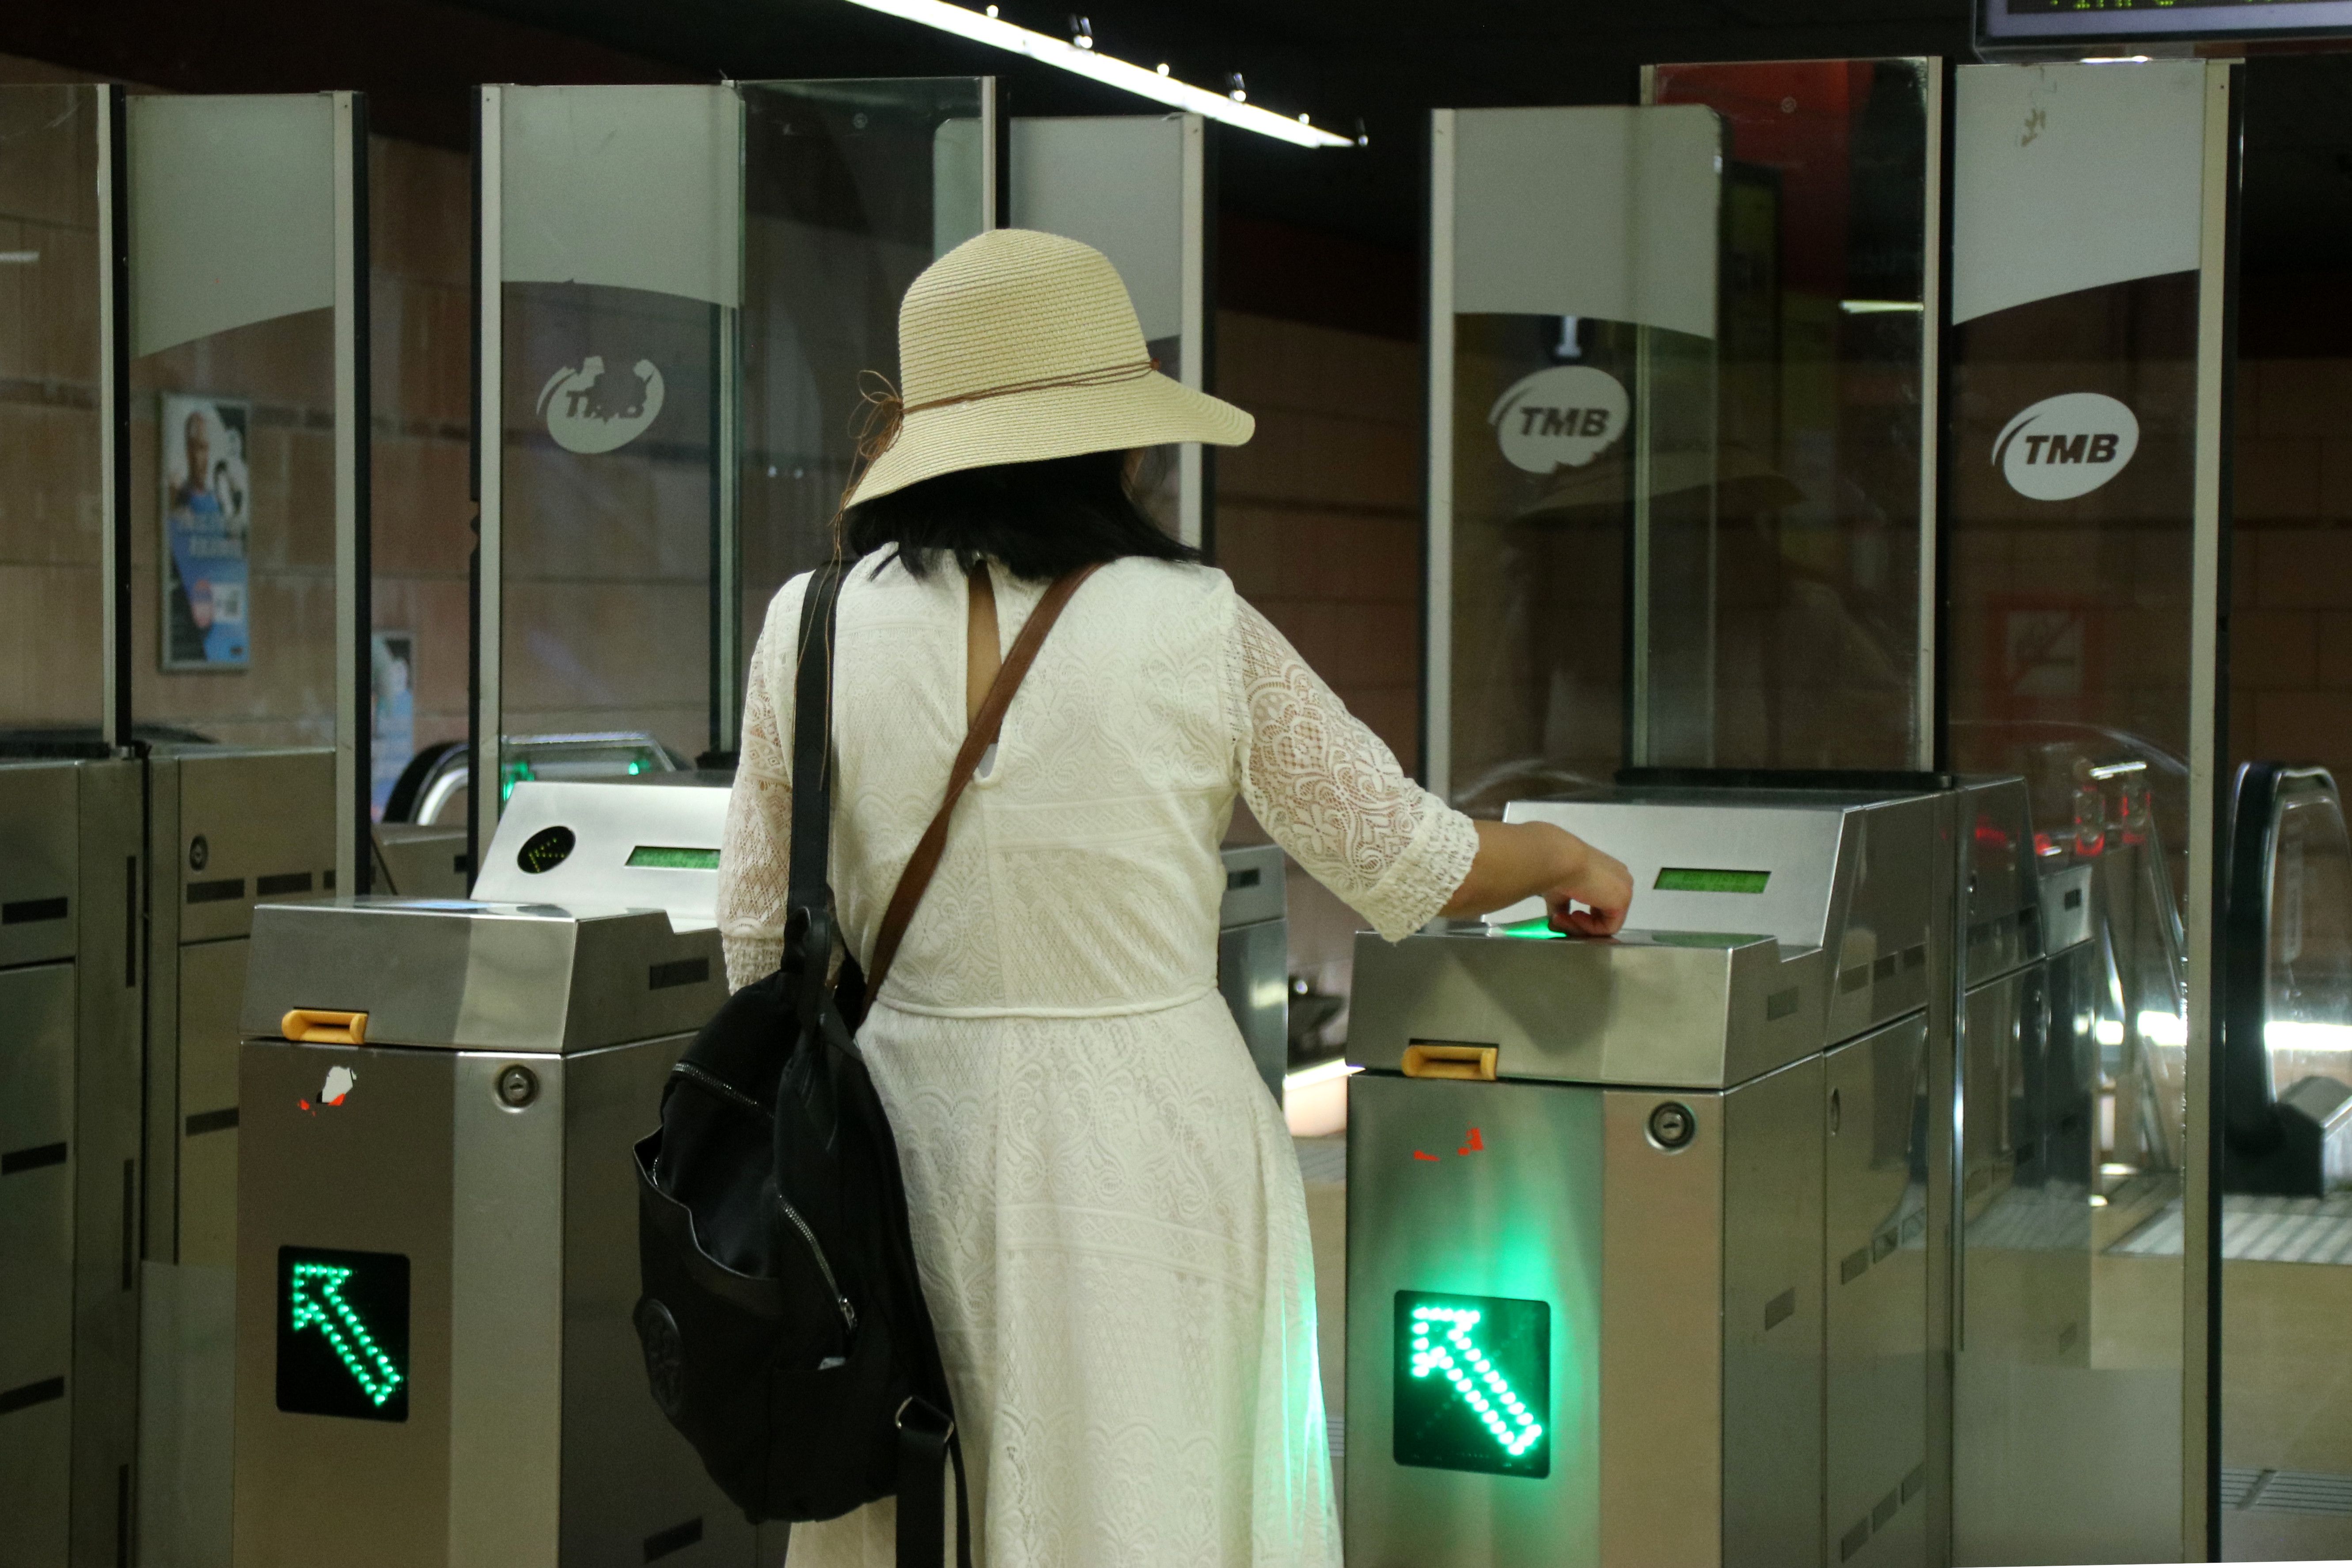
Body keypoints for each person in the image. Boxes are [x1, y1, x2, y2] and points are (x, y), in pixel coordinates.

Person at [715, 228, 1631, 1567]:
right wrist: (1561, 853)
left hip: (888, 1145)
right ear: (1114, 437)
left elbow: (752, 935)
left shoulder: (810, 623)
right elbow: (1409, 861)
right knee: (1161, 1488)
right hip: (1148, 1137)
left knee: (915, 1501)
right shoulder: (1193, 623)